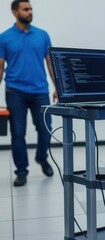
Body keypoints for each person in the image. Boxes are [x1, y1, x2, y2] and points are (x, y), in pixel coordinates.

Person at [0, 0, 56, 187]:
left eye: (31, 8)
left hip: (40, 91)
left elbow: (50, 63)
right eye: (25, 9)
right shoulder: (4, 38)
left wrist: (59, 88)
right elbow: (0, 69)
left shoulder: (42, 35)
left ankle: (41, 157)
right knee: (18, 134)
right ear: (15, 12)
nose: (30, 12)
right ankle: (21, 171)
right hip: (15, 92)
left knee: (45, 129)